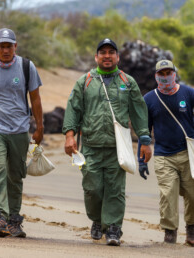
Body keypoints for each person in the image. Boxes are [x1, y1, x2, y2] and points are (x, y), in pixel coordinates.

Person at [63, 38, 152, 246]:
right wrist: (69, 136)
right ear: (96, 57)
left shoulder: (127, 82)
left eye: (111, 52)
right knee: (92, 189)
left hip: (117, 148)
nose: (107, 56)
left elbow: (139, 111)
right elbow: (74, 108)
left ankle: (113, 228)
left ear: (117, 57)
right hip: (91, 146)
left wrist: (145, 139)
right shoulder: (84, 81)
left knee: (115, 190)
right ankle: (97, 220)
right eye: (102, 52)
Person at [0, 28, 44, 238]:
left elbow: (36, 99)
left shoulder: (26, 67)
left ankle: (13, 220)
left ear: (15, 47)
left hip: (20, 129)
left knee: (15, 175)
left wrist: (40, 127)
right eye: (1, 46)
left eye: (8, 46)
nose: (5, 50)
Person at [138, 59, 194, 246]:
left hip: (188, 155)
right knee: (168, 194)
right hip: (163, 155)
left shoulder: (188, 93)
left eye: (168, 73)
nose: (165, 77)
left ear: (174, 73)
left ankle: (192, 231)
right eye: (161, 74)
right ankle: (170, 233)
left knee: (192, 194)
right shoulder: (149, 99)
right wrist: (142, 160)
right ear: (156, 76)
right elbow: (144, 131)